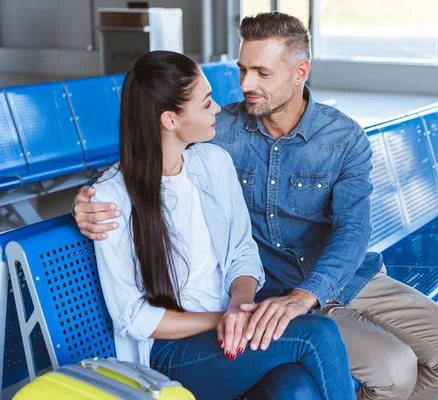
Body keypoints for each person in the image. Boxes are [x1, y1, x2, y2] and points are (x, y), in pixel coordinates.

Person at [75, 12, 438, 400]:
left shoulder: (341, 137)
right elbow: (150, 153)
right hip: (269, 292)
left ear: (300, 73)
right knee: (394, 370)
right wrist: (87, 198)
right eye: (242, 69)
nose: (245, 85)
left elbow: (353, 230)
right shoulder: (221, 132)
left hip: (341, 276)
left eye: (262, 73)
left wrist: (307, 295)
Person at [90, 50, 355, 400]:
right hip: (169, 354)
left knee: (297, 387)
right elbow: (134, 319)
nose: (217, 109)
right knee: (316, 333)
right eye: (206, 103)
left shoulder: (214, 162)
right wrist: (223, 319)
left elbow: (242, 252)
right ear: (170, 120)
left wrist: (236, 308)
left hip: (227, 330)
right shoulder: (110, 200)